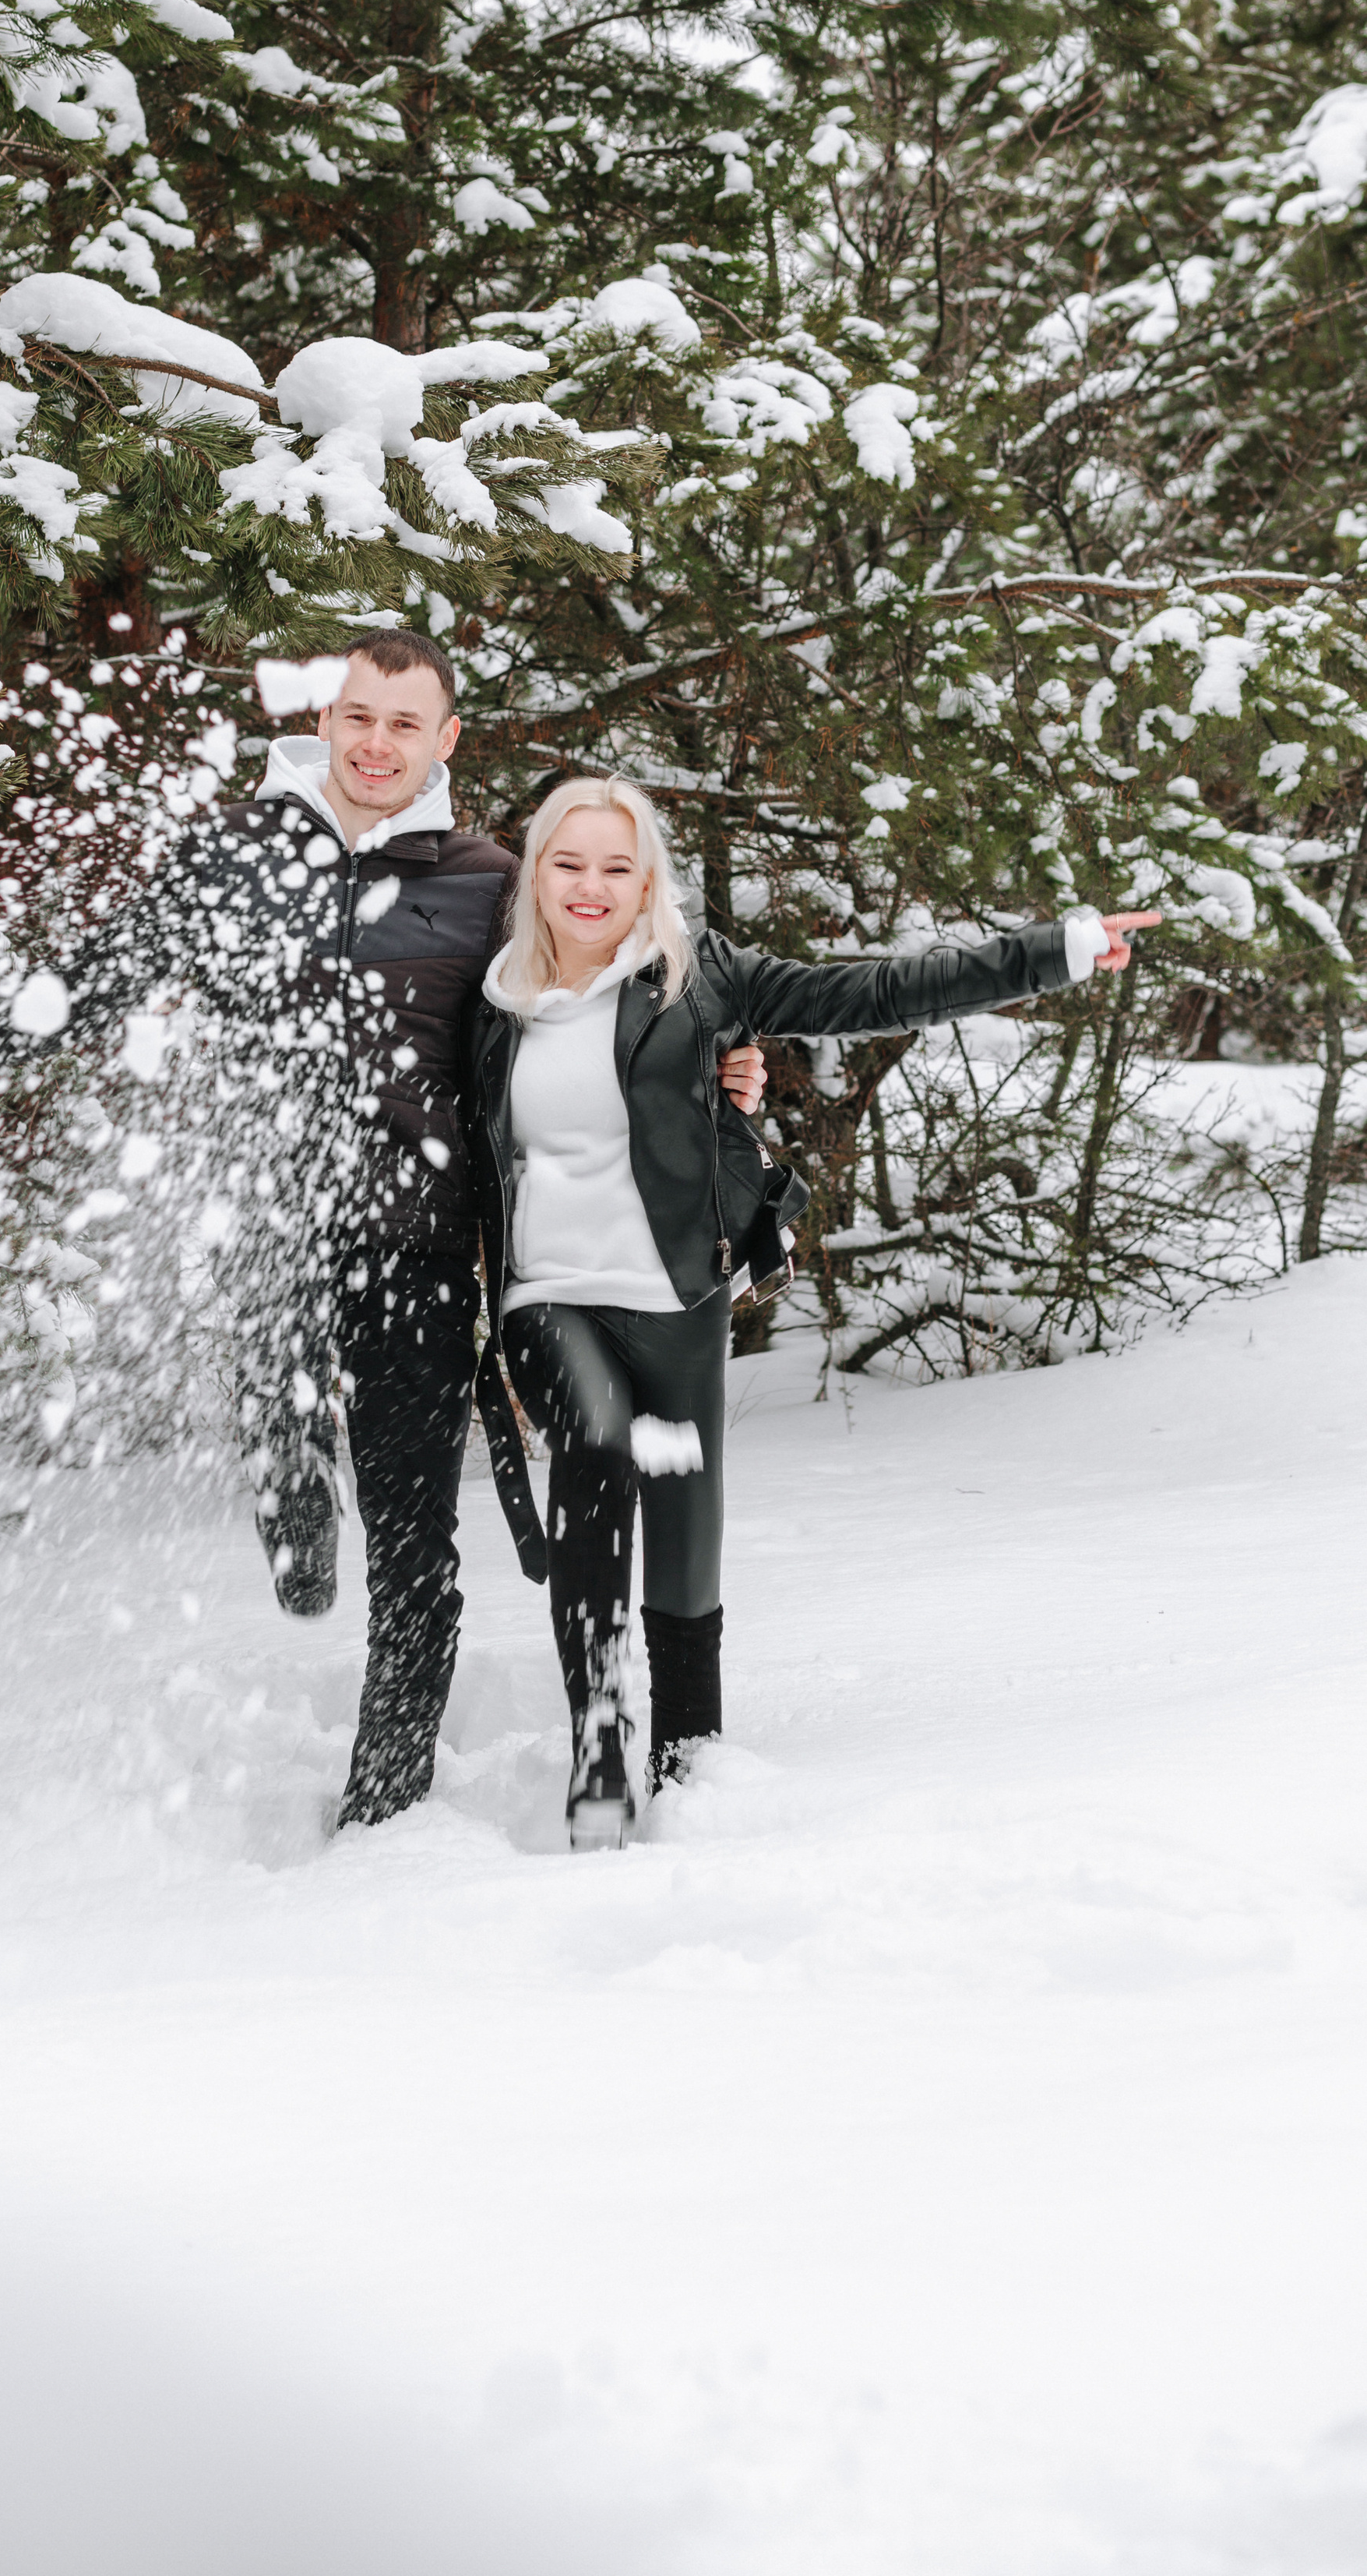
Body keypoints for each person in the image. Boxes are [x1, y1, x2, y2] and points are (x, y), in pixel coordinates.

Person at [0, 629, 766, 1829]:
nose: (377, 744)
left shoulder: (488, 883)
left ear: (445, 741)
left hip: (417, 1243)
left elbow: (596, 1004)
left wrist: (716, 1068)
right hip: (273, 1226)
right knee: (286, 1407)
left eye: (405, 724)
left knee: (414, 1542)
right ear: (322, 721)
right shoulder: (234, 855)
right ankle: (287, 1471)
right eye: (358, 717)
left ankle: (384, 1802)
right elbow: (87, 981)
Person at [467, 773, 1160, 1851]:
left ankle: (689, 1764)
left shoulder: (696, 980)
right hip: (548, 1296)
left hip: (680, 1297)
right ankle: (598, 1742)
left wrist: (1053, 951)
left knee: (687, 1539)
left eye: (616, 866)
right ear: (535, 874)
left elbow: (872, 991)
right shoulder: (494, 996)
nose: (590, 886)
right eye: (568, 863)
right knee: (597, 1444)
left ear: (647, 881)